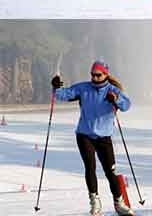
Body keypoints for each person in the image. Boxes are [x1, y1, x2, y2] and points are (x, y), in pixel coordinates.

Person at [51, 61, 134, 216]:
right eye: (92, 75)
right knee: (90, 168)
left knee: (110, 172)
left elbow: (126, 105)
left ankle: (119, 203)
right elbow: (63, 94)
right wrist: (56, 87)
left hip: (104, 137)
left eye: (98, 75)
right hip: (84, 135)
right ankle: (95, 203)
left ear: (106, 75)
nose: (95, 78)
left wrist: (115, 99)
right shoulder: (83, 88)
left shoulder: (112, 90)